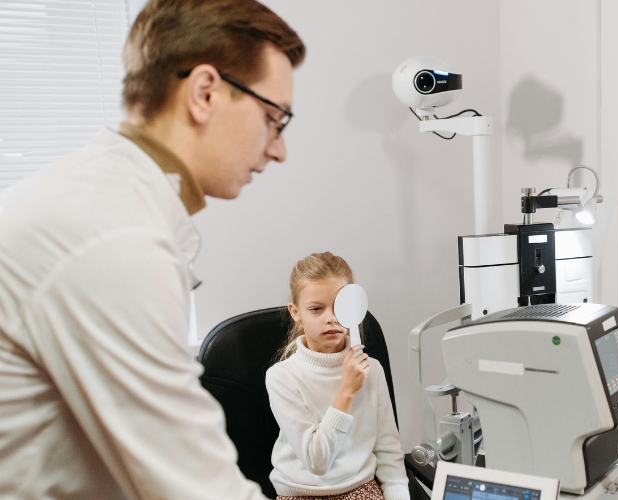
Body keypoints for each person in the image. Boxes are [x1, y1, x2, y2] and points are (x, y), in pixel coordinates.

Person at [0, 0, 304, 498]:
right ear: (205, 92)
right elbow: (198, 488)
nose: (278, 149)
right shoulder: (111, 239)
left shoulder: (105, 203)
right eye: (275, 118)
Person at [267, 253, 409, 500]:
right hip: (301, 494)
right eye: (316, 309)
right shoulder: (282, 377)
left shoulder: (372, 370)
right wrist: (347, 391)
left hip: (360, 489)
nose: (331, 317)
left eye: (339, 307)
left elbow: (390, 456)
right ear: (295, 311)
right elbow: (317, 462)